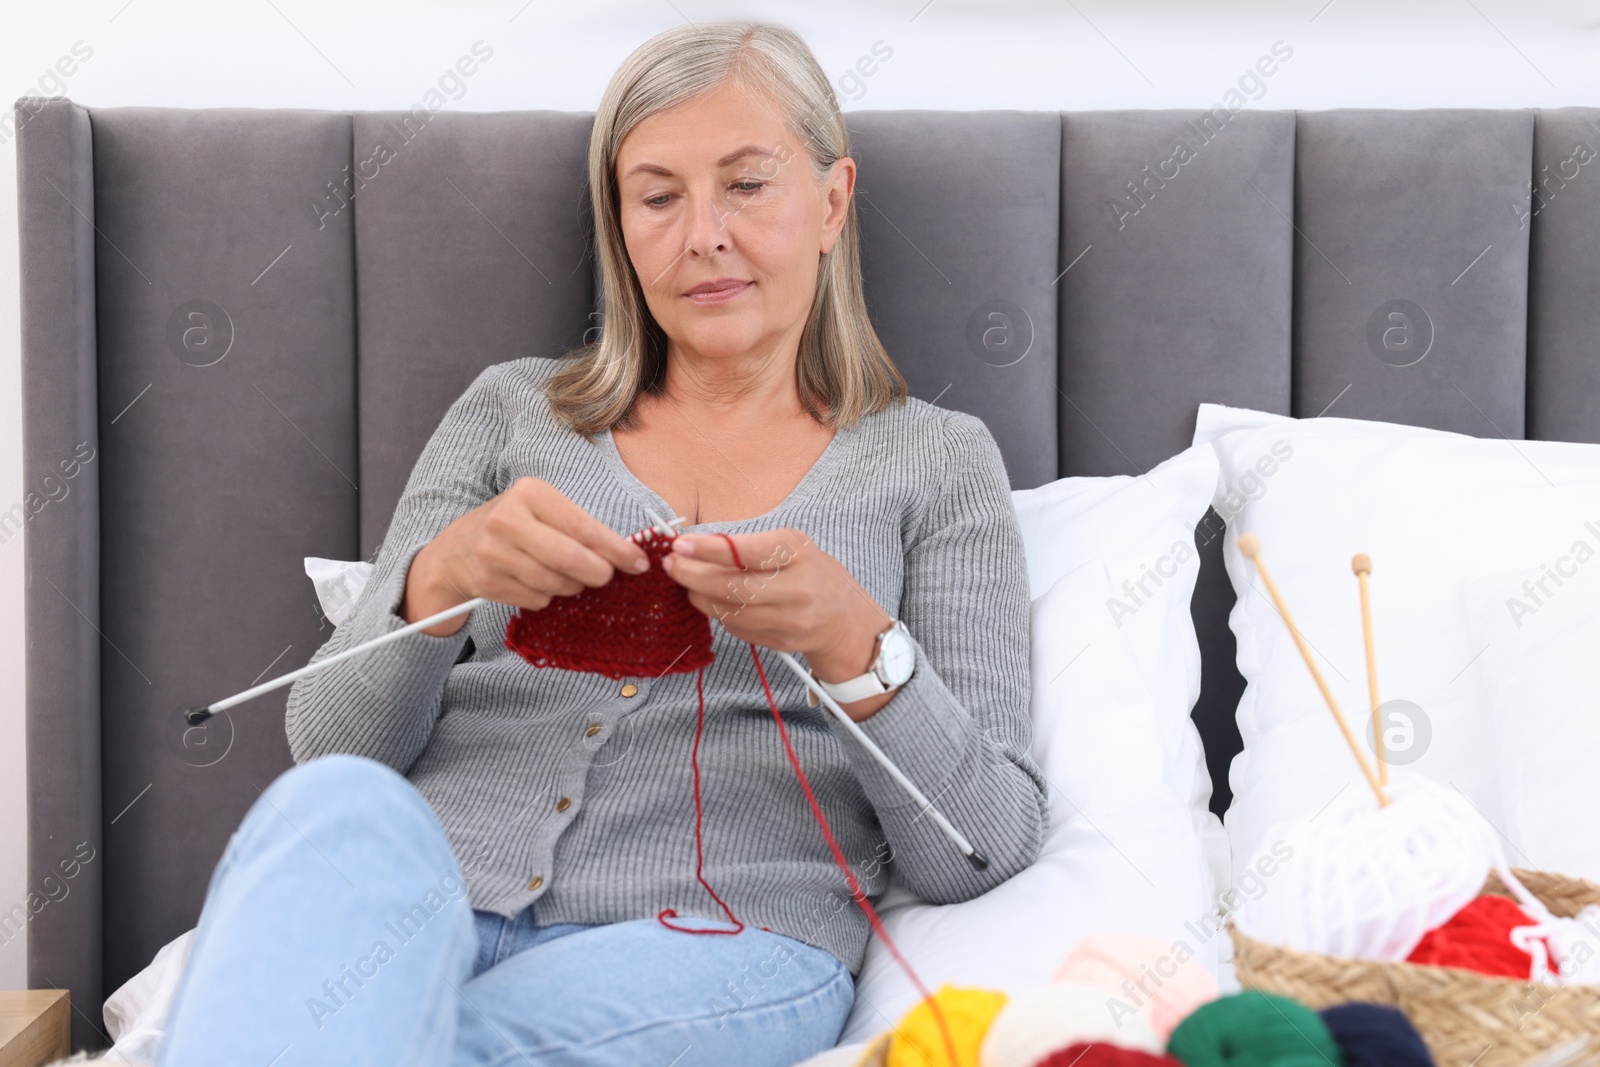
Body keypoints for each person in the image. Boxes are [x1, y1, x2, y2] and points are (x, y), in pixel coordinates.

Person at [156, 20, 1046, 1067]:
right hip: (421, 905)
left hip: (720, 941)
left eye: (746, 185)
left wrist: (856, 644)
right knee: (331, 804)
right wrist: (441, 579)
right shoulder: (510, 414)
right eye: (658, 196)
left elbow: (978, 846)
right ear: (620, 223)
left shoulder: (936, 462)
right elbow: (335, 743)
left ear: (832, 201)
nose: (701, 234)